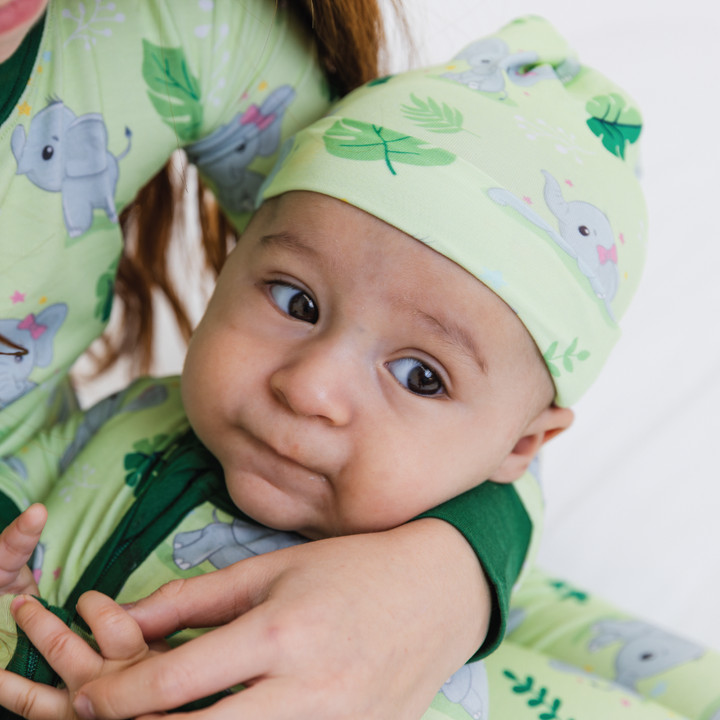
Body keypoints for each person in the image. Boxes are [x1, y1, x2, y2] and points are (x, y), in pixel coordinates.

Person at [1, 16, 719, 720]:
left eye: (420, 377)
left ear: (522, 445)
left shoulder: (409, 673)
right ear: (227, 267)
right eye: (296, 300)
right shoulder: (142, 411)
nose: (309, 387)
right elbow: (26, 471)